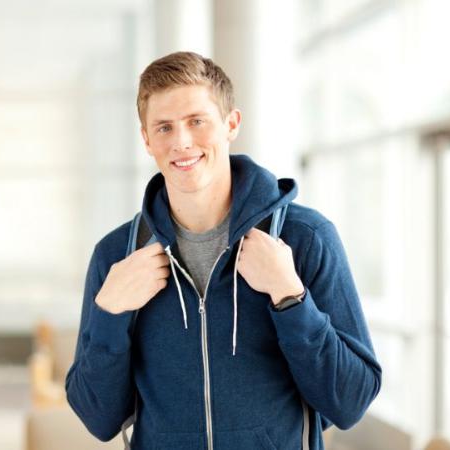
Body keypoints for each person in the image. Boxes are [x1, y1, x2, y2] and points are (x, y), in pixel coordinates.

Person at [65, 51, 381, 450]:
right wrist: (109, 312)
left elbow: (350, 402)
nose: (181, 142)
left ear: (231, 124)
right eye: (164, 127)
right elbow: (98, 419)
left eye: (197, 121)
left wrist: (291, 299)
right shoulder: (118, 256)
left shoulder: (305, 239)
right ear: (146, 139)